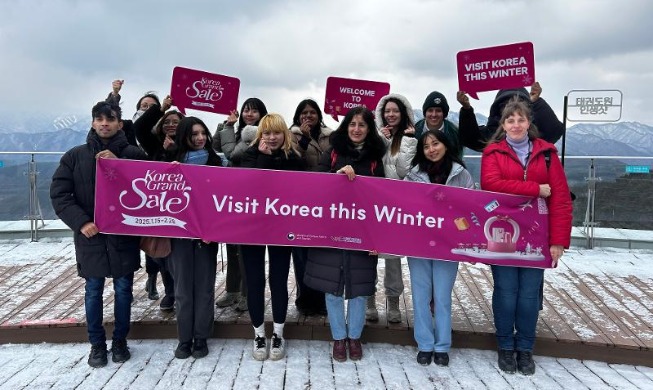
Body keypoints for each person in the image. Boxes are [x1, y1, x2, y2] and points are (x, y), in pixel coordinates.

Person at [50, 101, 147, 368]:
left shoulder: (134, 154)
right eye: (99, 118)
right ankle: (96, 345)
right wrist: (81, 223)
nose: (104, 123)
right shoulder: (75, 156)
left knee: (123, 290)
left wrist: (121, 165)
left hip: (122, 235)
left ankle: (120, 341)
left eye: (110, 118)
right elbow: (60, 195)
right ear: (93, 122)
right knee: (93, 290)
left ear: (120, 123)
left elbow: (149, 186)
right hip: (90, 236)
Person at [481, 97, 572, 375]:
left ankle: (526, 348)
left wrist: (558, 241)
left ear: (529, 123)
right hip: (503, 232)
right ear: (503, 125)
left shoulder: (547, 154)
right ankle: (506, 346)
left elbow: (561, 200)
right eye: (511, 120)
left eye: (521, 119)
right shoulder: (493, 153)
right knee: (506, 292)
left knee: (529, 296)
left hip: (536, 236)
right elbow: (491, 184)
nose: (516, 124)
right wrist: (535, 188)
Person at [304, 106, 386, 362]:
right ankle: (339, 338)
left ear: (369, 129)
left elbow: (380, 201)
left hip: (362, 233)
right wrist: (335, 175)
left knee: (359, 290)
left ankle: (355, 336)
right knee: (333, 289)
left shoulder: (375, 159)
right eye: (352, 124)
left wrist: (377, 238)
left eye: (362, 125)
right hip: (331, 231)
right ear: (345, 127)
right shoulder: (333, 152)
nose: (357, 129)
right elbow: (314, 182)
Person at [404, 130, 475, 366]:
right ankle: (425, 344)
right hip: (418, 244)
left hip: (448, 246)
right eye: (426, 146)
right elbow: (401, 205)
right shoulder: (413, 175)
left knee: (442, 296)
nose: (431, 149)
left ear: (445, 145)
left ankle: (442, 345)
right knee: (421, 296)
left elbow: (471, 208)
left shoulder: (460, 174)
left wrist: (462, 233)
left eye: (435, 144)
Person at [240, 113, 305, 361]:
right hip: (252, 229)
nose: (271, 137)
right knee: (254, 281)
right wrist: (263, 158)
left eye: (276, 132)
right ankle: (258, 333)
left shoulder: (294, 158)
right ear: (260, 135)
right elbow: (250, 182)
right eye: (266, 133)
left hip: (282, 228)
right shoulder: (249, 155)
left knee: (278, 280)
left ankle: (278, 332)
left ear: (285, 134)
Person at [168, 117, 222, 359]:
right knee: (182, 289)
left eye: (203, 133)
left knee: (203, 287)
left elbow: (224, 200)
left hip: (206, 236)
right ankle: (184, 338)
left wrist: (214, 229)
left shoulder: (217, 162)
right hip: (179, 234)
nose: (200, 138)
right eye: (194, 134)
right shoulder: (170, 163)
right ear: (184, 137)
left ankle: (201, 337)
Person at [213, 98, 269, 312]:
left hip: (253, 199)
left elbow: (232, 154)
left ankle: (249, 294)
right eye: (246, 110)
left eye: (255, 110)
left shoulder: (256, 135)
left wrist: (228, 128)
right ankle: (233, 291)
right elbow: (216, 147)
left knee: (249, 251)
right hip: (233, 197)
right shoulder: (236, 132)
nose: (249, 114)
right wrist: (225, 127)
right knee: (232, 248)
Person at [368, 93, 417, 323]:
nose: (390, 114)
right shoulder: (374, 135)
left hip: (394, 203)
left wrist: (405, 142)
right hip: (371, 202)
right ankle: (368, 298)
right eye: (387, 111)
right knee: (368, 253)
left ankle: (394, 300)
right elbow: (367, 162)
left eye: (395, 110)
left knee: (393, 256)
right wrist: (380, 140)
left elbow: (402, 172)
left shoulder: (410, 139)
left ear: (403, 113)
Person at [133, 97, 181, 312]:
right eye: (166, 122)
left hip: (184, 209)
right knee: (161, 253)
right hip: (159, 207)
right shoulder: (153, 144)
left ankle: (181, 291)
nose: (171, 125)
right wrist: (160, 108)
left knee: (180, 254)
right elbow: (139, 127)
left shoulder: (190, 144)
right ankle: (170, 291)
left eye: (175, 122)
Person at [288, 99, 333, 316]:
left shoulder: (329, 135)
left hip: (326, 201)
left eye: (312, 112)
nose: (308, 116)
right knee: (301, 252)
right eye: (304, 112)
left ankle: (322, 300)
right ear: (298, 116)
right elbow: (291, 162)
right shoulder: (290, 135)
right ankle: (305, 299)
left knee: (322, 252)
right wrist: (304, 141)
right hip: (301, 203)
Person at [457, 81, 565, 152]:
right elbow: (469, 139)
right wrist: (466, 109)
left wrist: (535, 101)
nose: (513, 107)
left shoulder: (534, 134)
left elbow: (554, 131)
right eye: (506, 104)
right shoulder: (492, 135)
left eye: (520, 103)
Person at [414, 91, 464, 159]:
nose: (434, 114)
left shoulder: (454, 133)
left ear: (444, 114)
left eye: (438, 110)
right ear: (425, 113)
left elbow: (457, 157)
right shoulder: (414, 131)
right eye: (430, 110)